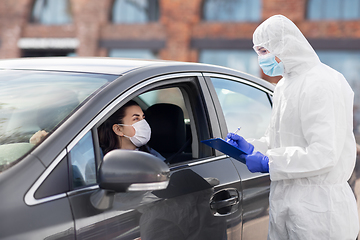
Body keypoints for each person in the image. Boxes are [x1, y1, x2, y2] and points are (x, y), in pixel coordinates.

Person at [226, 15, 359, 239]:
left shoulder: (323, 82)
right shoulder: (284, 86)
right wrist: (252, 147)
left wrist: (270, 162)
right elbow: (278, 139)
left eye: (264, 51)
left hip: (320, 210)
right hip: (286, 202)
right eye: (257, 51)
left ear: (285, 46)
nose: (260, 58)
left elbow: (325, 153)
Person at [98, 100, 164, 160]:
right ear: (118, 129)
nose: (144, 123)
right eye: (136, 119)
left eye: (143, 118)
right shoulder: (102, 160)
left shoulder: (149, 152)